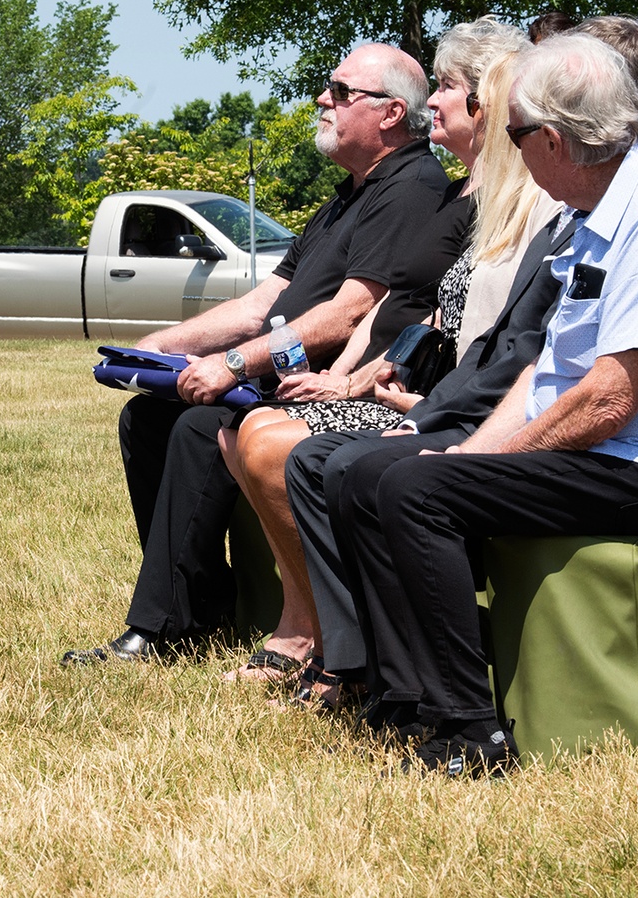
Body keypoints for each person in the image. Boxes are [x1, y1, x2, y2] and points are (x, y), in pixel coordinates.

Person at [282, 15, 638, 714]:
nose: (511, 152)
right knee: (375, 471)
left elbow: (612, 398)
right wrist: (468, 451)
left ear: (551, 140)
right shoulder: (595, 209)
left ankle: (465, 724)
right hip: (592, 445)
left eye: (515, 135)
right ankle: (401, 696)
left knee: (415, 491)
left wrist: (483, 463)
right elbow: (544, 369)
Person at [63, 43, 464, 663]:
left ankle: (168, 626)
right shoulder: (348, 194)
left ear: (389, 114)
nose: (322, 100)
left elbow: (349, 312)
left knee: (201, 425)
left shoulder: (411, 188)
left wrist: (233, 365)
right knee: (146, 417)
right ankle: (203, 604)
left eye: (340, 90)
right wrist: (161, 346)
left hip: (333, 387)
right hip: (280, 378)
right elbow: (265, 301)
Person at [217, 19, 553, 684]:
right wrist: (350, 380)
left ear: (487, 100)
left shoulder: (522, 202)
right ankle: (313, 632)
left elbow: (500, 346)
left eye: (450, 87)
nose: (435, 99)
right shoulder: (457, 194)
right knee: (243, 428)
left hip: (462, 408)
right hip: (434, 396)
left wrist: (404, 401)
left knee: (282, 444)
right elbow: (412, 313)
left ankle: (334, 650)